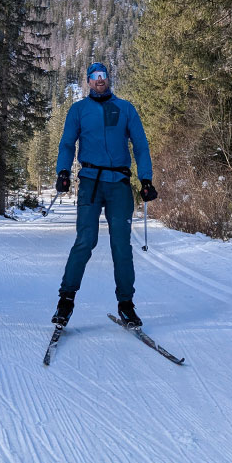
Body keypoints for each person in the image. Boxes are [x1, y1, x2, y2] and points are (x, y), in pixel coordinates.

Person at [52, 62, 157, 328]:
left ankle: (126, 305)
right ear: (88, 81)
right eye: (95, 77)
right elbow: (67, 143)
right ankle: (65, 301)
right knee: (85, 240)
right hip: (90, 182)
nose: (100, 80)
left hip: (119, 183)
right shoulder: (78, 110)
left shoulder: (125, 109)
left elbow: (141, 146)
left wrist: (146, 178)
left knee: (121, 245)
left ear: (108, 79)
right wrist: (63, 171)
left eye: (104, 76)